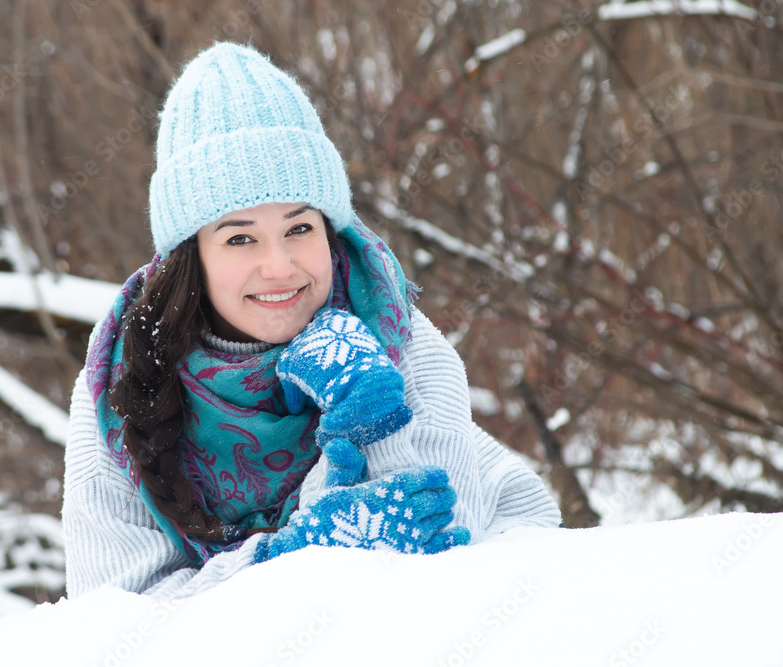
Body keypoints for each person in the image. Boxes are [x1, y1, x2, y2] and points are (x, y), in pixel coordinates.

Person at [62, 41, 562, 601]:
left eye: (300, 228)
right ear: (191, 256)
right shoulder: (121, 383)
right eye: (240, 238)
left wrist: (370, 422)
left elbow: (438, 545)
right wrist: (288, 558)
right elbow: (116, 614)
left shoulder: (399, 338)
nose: (279, 267)